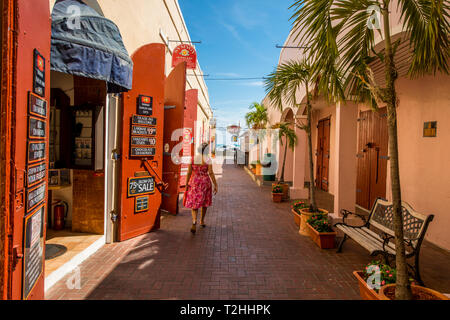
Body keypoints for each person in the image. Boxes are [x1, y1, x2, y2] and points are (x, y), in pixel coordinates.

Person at [184, 143, 218, 234]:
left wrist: (186, 183)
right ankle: (202, 221)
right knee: (204, 202)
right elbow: (210, 172)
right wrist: (216, 184)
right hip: (205, 183)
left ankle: (194, 220)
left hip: (194, 182)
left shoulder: (193, 158)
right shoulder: (207, 159)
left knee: (194, 202)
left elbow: (189, 172)